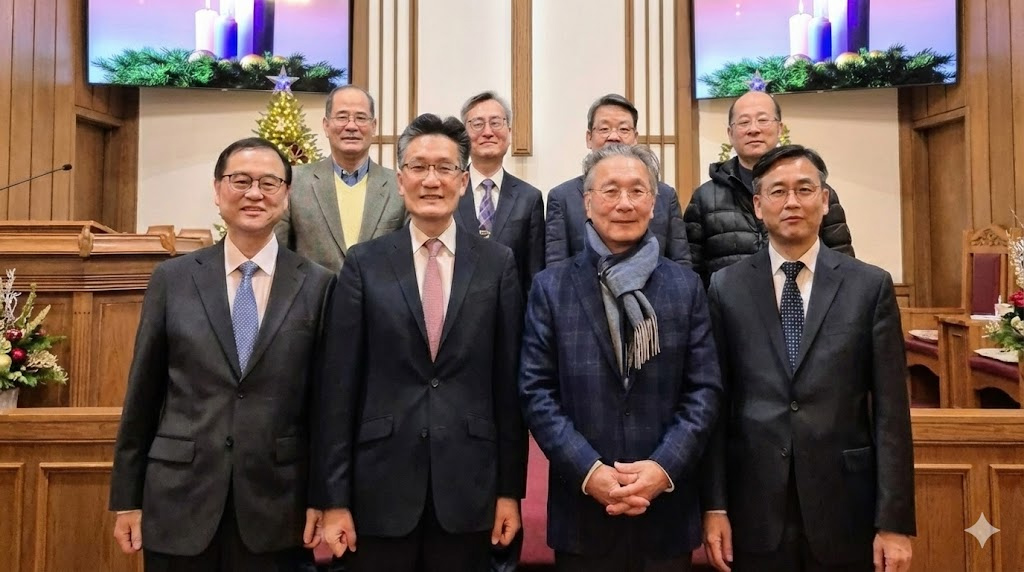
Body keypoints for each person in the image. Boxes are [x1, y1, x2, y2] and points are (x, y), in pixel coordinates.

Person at [314, 113, 528, 572]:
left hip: (470, 487)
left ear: (464, 181)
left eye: (445, 168)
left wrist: (510, 492)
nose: (432, 180)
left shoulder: (497, 264)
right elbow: (338, 388)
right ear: (400, 179)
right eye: (418, 167)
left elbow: (508, 386)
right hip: (380, 486)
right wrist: (334, 499)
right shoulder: (364, 264)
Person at [109, 137, 335, 571]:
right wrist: (127, 498)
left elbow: (325, 406)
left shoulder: (318, 284)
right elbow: (142, 396)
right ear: (217, 190)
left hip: (278, 503)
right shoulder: (173, 279)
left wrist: (322, 497)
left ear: (287, 195)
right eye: (240, 181)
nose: (255, 193)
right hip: (178, 499)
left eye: (269, 183)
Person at [702, 144, 915, 572]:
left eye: (804, 189)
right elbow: (715, 404)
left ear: (825, 199)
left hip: (845, 505)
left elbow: (891, 411)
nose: (792, 202)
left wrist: (894, 522)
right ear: (758, 205)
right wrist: (715, 505)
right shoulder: (726, 287)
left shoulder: (869, 286)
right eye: (778, 191)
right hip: (753, 504)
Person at [519, 143, 722, 572]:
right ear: (587, 202)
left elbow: (703, 390)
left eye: (637, 191)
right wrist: (589, 471)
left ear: (655, 202)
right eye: (611, 191)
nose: (625, 203)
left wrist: (663, 468)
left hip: (666, 509)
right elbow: (536, 391)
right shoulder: (551, 287)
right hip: (582, 510)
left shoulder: (685, 287)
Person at [684, 90, 854, 286]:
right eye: (744, 122)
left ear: (780, 128)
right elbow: (691, 275)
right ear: (730, 134)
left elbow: (842, 265)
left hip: (808, 301)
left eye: (763, 120)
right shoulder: (705, 198)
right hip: (730, 303)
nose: (754, 129)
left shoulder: (814, 192)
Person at [544, 94, 690, 267]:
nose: (614, 136)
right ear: (589, 138)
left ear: (635, 138)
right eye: (604, 129)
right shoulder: (562, 198)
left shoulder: (665, 195)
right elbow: (556, 269)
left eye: (624, 129)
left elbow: (681, 263)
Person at [276, 85, 406, 273]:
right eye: (342, 117)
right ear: (326, 125)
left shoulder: (398, 185)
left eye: (361, 118)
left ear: (373, 126)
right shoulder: (295, 181)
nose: (351, 126)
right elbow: (279, 252)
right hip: (315, 292)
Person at [454, 90, 545, 297]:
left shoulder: (529, 198)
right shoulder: (448, 189)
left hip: (511, 311)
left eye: (495, 123)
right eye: (477, 124)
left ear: (509, 132)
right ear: (464, 135)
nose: (487, 132)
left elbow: (534, 274)